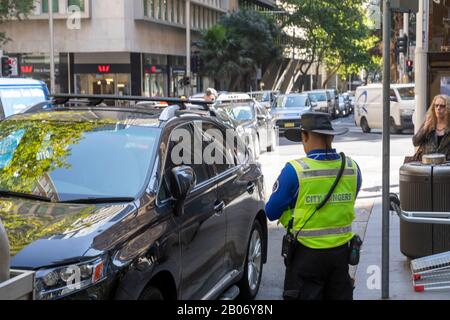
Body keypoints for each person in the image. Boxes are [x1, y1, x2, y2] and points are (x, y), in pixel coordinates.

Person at [265, 112, 362, 300]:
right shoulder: (352, 168)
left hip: (305, 257)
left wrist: (291, 216)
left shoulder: (295, 171)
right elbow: (348, 200)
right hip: (340, 256)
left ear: (304, 136)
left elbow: (271, 211)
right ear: (331, 137)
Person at [412, 94, 450, 160]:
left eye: (442, 106)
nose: (438, 108)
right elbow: (415, 142)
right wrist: (425, 128)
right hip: (428, 166)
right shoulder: (428, 123)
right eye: (436, 105)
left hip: (446, 166)